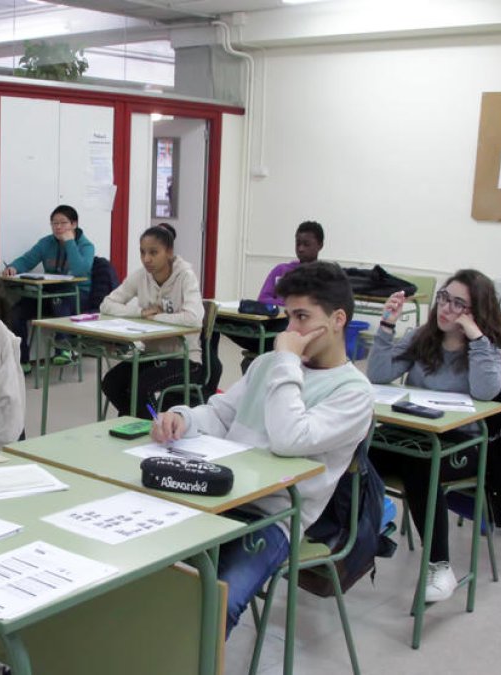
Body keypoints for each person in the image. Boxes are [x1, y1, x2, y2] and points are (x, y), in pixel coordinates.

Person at [150, 262, 373, 636]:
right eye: (289, 317)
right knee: (147, 577)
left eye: (302, 317)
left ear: (337, 320)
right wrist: (183, 419)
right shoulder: (270, 364)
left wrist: (286, 360)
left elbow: (290, 438)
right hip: (219, 496)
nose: (292, 330)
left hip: (273, 518)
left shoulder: (353, 392)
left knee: (213, 606)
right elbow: (221, 415)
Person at [365, 269, 501, 603]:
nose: (446, 308)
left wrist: (475, 338)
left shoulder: (487, 350)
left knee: (421, 468)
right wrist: (387, 325)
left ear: (477, 312)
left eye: (459, 304)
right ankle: (355, 532)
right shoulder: (422, 338)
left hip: (461, 444)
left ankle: (440, 566)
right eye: (445, 298)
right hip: (411, 435)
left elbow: (487, 391)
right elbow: (379, 374)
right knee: (355, 452)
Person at [99, 224, 205, 418]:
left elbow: (194, 319)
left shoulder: (186, 277)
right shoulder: (141, 275)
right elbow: (107, 304)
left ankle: (150, 425)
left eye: (153, 253)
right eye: (142, 252)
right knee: (110, 383)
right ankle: (141, 421)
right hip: (150, 356)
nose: (146, 259)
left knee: (142, 388)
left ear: (169, 252)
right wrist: (140, 312)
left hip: (184, 358)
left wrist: (156, 317)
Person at [220, 221, 324, 371]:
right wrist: (286, 304)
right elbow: (263, 299)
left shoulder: (322, 275)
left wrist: (280, 303)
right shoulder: (281, 270)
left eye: (306, 244)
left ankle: (263, 361)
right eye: (298, 243)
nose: (301, 248)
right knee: (216, 319)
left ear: (320, 245)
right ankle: (209, 375)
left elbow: (311, 307)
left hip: (295, 330)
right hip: (271, 323)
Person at [1, 204, 95, 368]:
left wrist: (70, 243)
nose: (58, 227)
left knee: (59, 300)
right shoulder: (46, 243)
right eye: (54, 223)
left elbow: (80, 270)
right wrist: (14, 267)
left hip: (77, 295)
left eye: (63, 223)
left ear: (74, 224)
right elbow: (27, 259)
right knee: (15, 312)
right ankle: (23, 360)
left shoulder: (86, 246)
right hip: (48, 292)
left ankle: (64, 349)